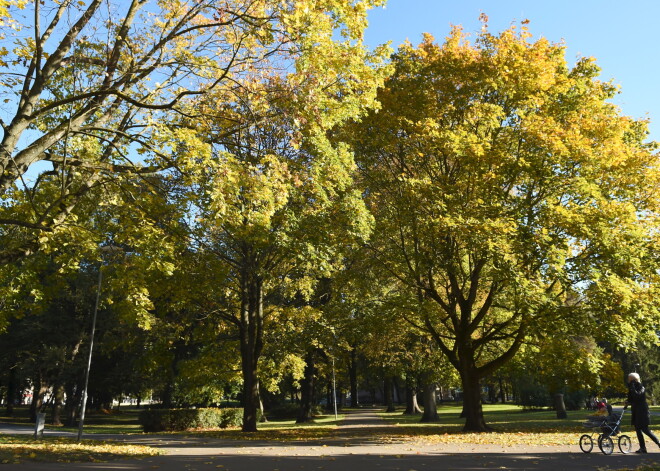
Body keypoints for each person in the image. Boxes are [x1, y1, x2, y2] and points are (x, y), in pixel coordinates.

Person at [626, 372, 660, 453]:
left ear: (634, 380)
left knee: (645, 429)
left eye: (630, 380)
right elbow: (632, 398)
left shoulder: (641, 387)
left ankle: (658, 443)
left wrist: (633, 387)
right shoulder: (631, 388)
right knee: (638, 430)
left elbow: (637, 396)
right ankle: (643, 448)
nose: (629, 381)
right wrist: (627, 402)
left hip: (642, 411)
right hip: (635, 411)